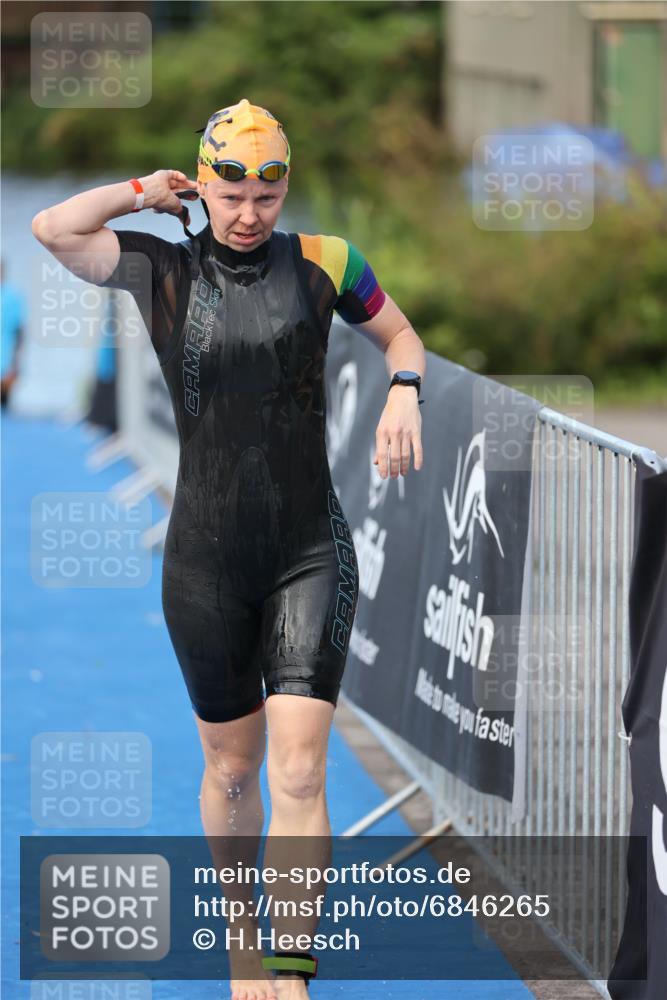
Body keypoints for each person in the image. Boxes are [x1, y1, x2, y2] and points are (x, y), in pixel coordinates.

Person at [32, 98, 426, 1000]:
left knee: (297, 763)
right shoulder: (161, 269)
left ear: (285, 186)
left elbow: (400, 333)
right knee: (233, 768)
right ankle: (241, 933)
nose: (250, 212)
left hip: (307, 549)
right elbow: (52, 227)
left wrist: (404, 385)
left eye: (267, 191)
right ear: (201, 183)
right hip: (204, 561)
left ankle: (292, 969)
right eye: (230, 191)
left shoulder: (329, 263)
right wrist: (139, 191)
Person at [1, 259, 26, 408]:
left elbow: (20, 333)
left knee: (3, 413)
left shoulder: (12, 297)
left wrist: (15, 365)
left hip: (5, 366)